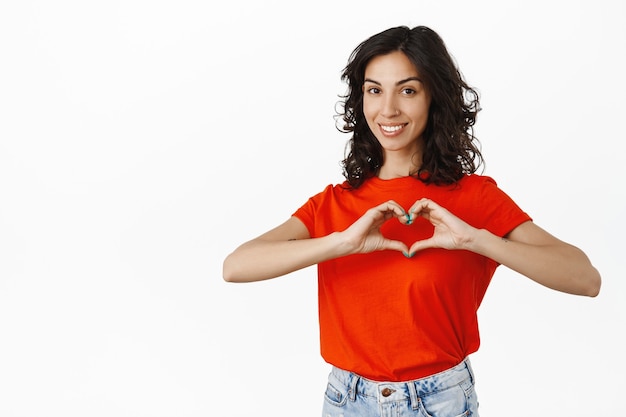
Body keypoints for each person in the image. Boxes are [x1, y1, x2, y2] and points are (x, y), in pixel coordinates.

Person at [222, 25, 601, 417]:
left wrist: (478, 241)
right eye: (374, 90)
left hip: (439, 401)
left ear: (433, 97)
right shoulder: (333, 204)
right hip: (346, 401)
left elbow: (585, 279)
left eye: (407, 90)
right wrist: (342, 243)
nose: (388, 109)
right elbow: (235, 266)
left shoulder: (474, 198)